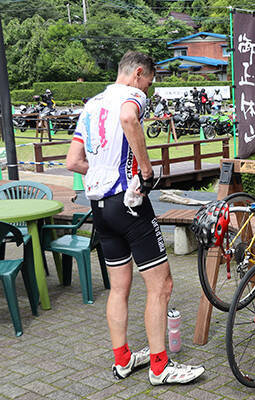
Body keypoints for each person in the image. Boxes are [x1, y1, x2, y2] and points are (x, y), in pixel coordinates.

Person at [65, 51, 206, 386]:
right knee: (161, 286)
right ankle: (160, 367)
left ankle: (123, 360)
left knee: (119, 288)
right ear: (139, 73)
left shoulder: (92, 104)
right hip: (128, 203)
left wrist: (101, 172)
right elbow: (129, 118)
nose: (149, 90)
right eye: (149, 82)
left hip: (99, 207)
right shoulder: (132, 96)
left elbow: (73, 160)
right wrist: (145, 172)